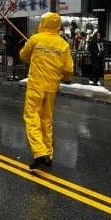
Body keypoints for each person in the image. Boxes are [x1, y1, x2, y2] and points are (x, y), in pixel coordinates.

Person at [19, 12, 73, 170]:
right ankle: (48, 154)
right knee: (46, 120)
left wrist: (29, 46)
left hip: (36, 86)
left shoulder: (36, 39)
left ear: (43, 23)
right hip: (51, 87)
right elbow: (68, 68)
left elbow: (23, 56)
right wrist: (67, 78)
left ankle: (40, 152)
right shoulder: (63, 44)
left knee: (31, 117)